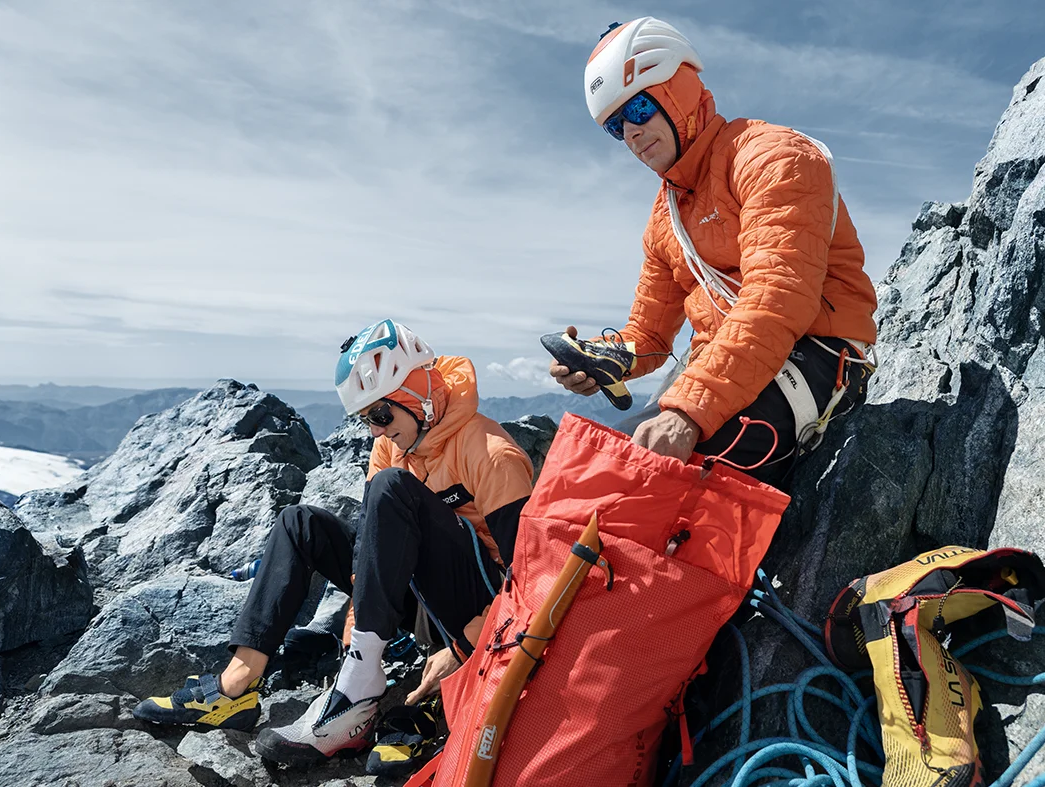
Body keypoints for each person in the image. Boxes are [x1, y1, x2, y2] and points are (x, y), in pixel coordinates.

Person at [133, 319, 533, 775]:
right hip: (414, 599)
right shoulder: (393, 446)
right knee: (300, 522)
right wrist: (353, 650)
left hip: (475, 609)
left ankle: (360, 693)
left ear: (417, 394)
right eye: (367, 419)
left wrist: (464, 648)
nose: (375, 431)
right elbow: (370, 552)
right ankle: (238, 684)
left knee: (391, 487)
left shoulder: (491, 453)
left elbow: (529, 579)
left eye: (381, 414)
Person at [550, 17, 878, 488]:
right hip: (732, 367)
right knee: (585, 462)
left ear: (676, 91)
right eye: (615, 127)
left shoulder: (773, 157)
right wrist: (601, 360)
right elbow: (649, 335)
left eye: (639, 108)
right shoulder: (666, 218)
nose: (632, 134)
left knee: (642, 477)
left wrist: (688, 410)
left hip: (819, 352)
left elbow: (777, 299)